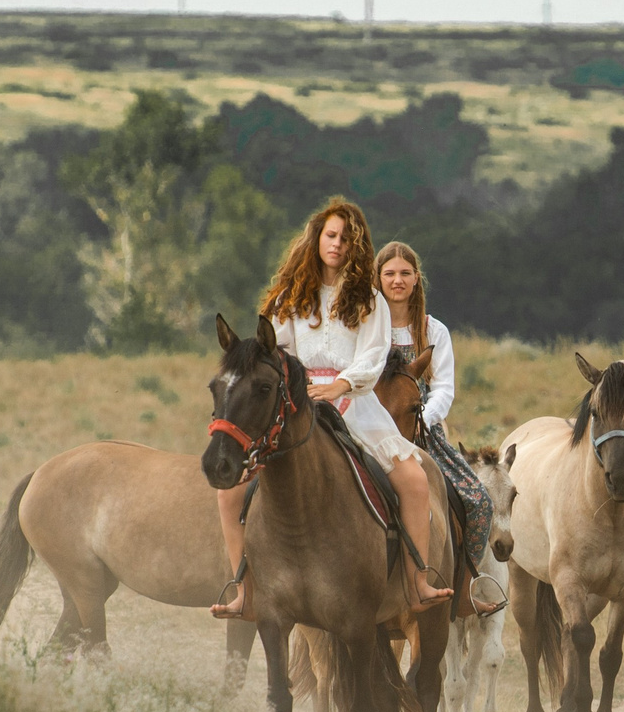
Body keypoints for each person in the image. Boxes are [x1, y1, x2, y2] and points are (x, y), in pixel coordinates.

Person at [209, 198, 450, 619]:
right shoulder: (288, 298)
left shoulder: (368, 299)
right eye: (330, 235)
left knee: (413, 479)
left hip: (355, 404)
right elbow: (275, 354)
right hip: (298, 405)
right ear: (317, 239)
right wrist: (301, 389)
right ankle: (243, 590)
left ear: (355, 246)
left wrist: (340, 385)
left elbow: (374, 356)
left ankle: (418, 582)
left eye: (345, 238)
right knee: (230, 493)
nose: (336, 244)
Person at [376, 240, 501, 615]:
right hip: (371, 427)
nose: (397, 280)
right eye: (389, 274)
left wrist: (422, 418)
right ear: (378, 280)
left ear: (417, 280)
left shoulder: (435, 331)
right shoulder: (366, 327)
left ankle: (463, 589)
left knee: (478, 503)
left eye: (405, 273)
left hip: (422, 431)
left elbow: (444, 387)